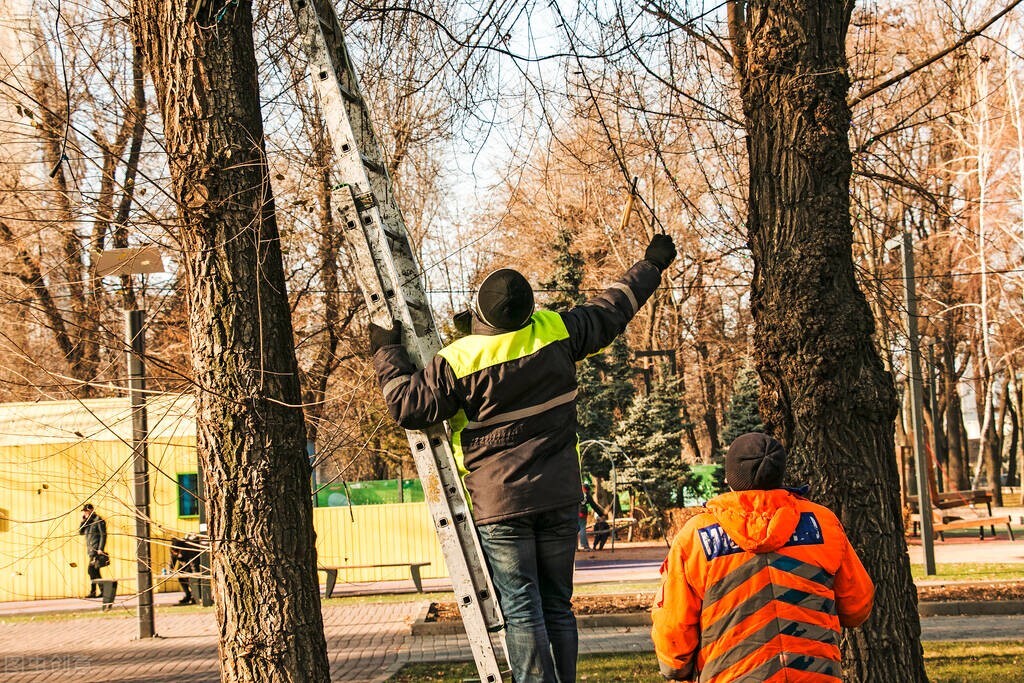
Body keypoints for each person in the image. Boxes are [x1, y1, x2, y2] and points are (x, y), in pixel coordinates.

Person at [370, 234, 676, 683]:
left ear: (479, 313)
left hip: (502, 503)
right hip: (559, 498)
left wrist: (385, 350)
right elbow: (614, 308)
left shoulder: (459, 359)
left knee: (521, 610)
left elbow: (407, 406)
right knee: (557, 606)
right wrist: (651, 264)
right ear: (528, 311)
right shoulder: (557, 332)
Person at [651, 433, 875, 682]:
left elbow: (673, 624)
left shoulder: (697, 536)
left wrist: (675, 667)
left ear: (729, 478)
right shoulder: (822, 523)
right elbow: (857, 606)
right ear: (780, 475)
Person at [78, 503, 107, 598]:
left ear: (91, 510)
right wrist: (84, 521)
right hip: (90, 550)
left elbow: (103, 535)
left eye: (86, 511)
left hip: (96, 550)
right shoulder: (88, 521)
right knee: (94, 571)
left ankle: (95, 591)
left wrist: (100, 549)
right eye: (84, 511)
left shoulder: (98, 520)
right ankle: (100, 591)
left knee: (91, 570)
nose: (85, 512)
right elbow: (80, 532)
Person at [170, 534, 203, 605]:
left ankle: (195, 596)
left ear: (180, 549)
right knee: (181, 578)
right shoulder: (173, 549)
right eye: (173, 552)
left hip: (191, 562)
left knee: (189, 578)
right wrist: (171, 569)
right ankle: (188, 595)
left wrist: (194, 572)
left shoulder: (187, 548)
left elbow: (193, 561)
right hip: (183, 563)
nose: (175, 553)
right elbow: (173, 559)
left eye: (176, 552)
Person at [578, 483, 605, 551]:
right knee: (582, 528)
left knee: (575, 529)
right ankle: (585, 546)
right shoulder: (587, 496)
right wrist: (601, 514)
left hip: (574, 512)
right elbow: (593, 506)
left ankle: (575, 548)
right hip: (582, 513)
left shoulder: (577, 494)